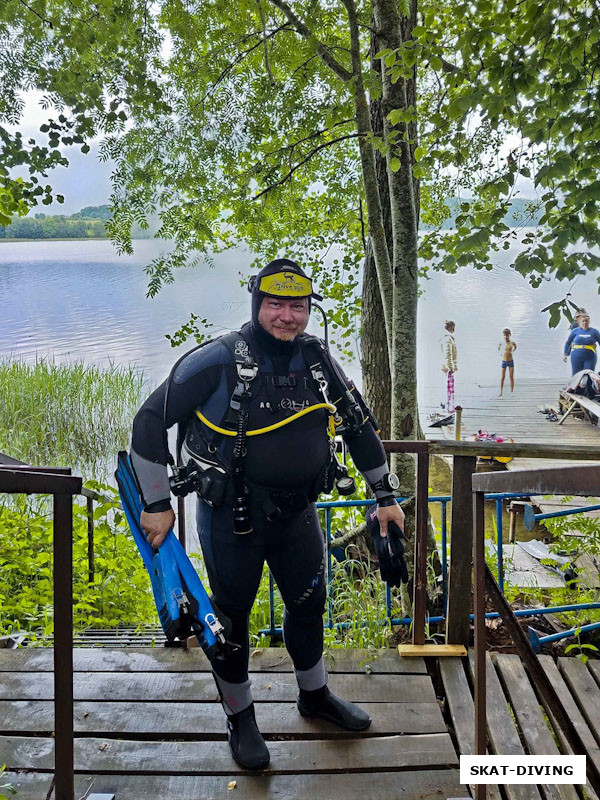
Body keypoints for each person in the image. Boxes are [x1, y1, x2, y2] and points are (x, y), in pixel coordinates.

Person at [130, 258, 406, 770]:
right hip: (232, 519)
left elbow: (360, 426)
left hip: (298, 515)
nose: (286, 316)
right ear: (257, 305)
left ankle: (314, 696)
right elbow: (148, 422)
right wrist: (156, 505)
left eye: (297, 306)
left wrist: (384, 495)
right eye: (275, 304)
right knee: (230, 622)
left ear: (308, 309)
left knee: (308, 607)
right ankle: (241, 719)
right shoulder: (215, 361)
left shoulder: (317, 360)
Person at [440, 320, 457, 412]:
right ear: (450, 328)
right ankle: (448, 407)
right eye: (453, 327)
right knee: (449, 387)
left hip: (445, 366)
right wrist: (451, 367)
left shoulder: (445, 338)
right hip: (447, 367)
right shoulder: (448, 338)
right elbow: (448, 354)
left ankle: (447, 405)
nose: (454, 329)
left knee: (448, 386)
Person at [498, 328, 517, 396]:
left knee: (511, 377)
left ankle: (512, 392)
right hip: (504, 361)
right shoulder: (501, 343)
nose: (506, 337)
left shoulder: (512, 343)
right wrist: (502, 354)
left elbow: (515, 348)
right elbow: (499, 350)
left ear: (510, 335)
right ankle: (501, 392)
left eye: (507, 335)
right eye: (504, 335)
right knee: (502, 377)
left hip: (511, 361)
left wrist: (511, 352)